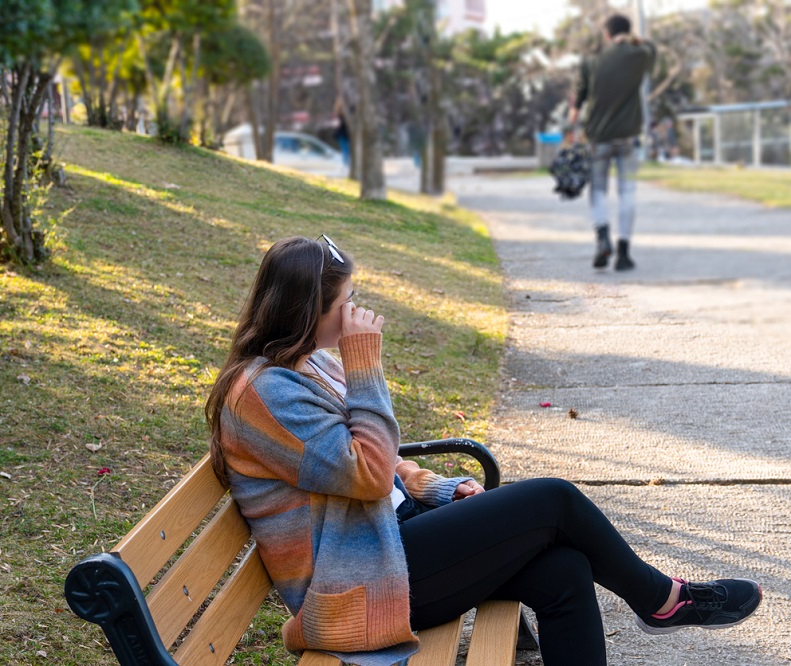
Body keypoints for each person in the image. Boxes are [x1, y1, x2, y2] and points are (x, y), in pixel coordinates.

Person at [205, 235, 762, 665]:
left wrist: (438, 488)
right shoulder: (263, 393)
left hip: (390, 551)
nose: (356, 313)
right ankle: (660, 599)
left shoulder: (307, 363)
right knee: (553, 500)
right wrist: (366, 365)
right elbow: (367, 475)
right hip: (359, 588)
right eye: (347, 301)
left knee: (565, 571)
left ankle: (660, 600)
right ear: (307, 311)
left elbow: (378, 468)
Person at [567, 14, 656, 272]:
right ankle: (624, 253)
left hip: (597, 138)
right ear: (627, 33)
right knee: (627, 192)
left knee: (598, 191)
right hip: (627, 137)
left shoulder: (591, 61)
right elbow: (652, 49)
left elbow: (577, 101)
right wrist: (636, 41)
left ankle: (602, 237)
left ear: (606, 34)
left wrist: (570, 131)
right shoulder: (640, 56)